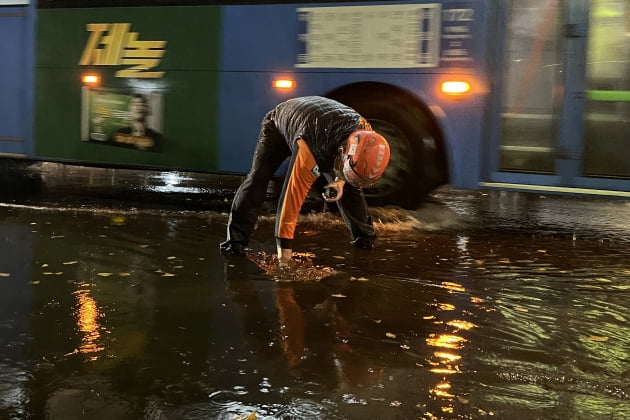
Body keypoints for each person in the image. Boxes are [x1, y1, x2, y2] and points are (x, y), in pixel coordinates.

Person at [219, 96, 390, 266]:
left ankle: (364, 238)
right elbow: (290, 201)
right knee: (258, 179)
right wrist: (284, 258)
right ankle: (235, 243)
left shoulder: (369, 139)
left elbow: (351, 169)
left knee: (350, 189)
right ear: (342, 151)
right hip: (280, 124)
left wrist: (339, 182)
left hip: (324, 124)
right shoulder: (309, 150)